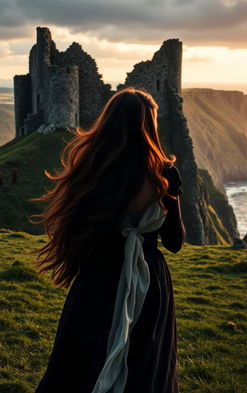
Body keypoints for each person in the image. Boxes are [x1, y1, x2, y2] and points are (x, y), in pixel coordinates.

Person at [32, 86, 186, 393]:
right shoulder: (165, 173)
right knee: (145, 363)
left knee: (81, 357)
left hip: (99, 275)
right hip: (149, 280)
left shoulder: (93, 169)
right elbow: (175, 241)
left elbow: (78, 227)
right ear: (148, 124)